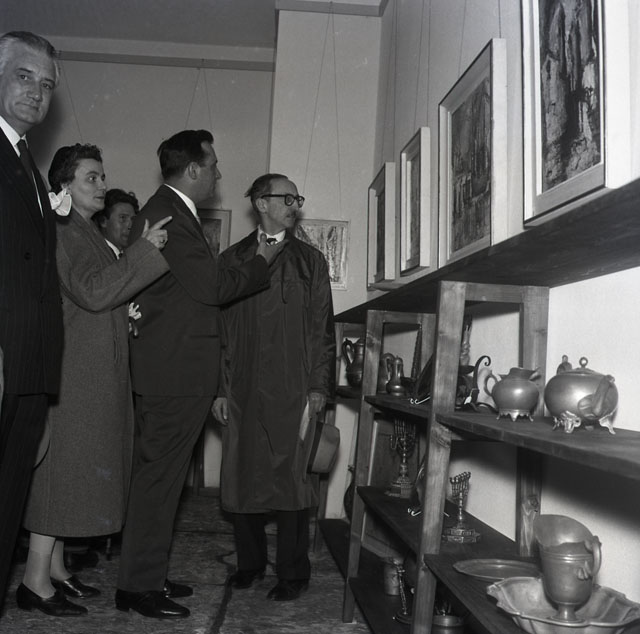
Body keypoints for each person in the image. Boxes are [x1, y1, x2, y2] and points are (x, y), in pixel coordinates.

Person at [115, 129, 285, 620]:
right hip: (174, 375)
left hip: (174, 371)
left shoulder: (173, 212)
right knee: (158, 483)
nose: (218, 173)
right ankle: (137, 587)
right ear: (192, 169)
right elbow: (211, 287)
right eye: (212, 165)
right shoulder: (168, 214)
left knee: (164, 483)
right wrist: (262, 259)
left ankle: (147, 575)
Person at [18, 143, 171, 617]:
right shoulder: (63, 229)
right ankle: (33, 582)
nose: (102, 184)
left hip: (90, 370)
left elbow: (100, 294)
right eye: (91, 177)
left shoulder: (83, 230)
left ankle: (56, 569)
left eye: (102, 176)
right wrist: (145, 250)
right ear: (64, 184)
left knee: (70, 473)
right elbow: (92, 292)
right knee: (60, 475)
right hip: (74, 372)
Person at [212, 173, 335, 602]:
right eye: (287, 198)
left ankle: (292, 573)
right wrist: (219, 389)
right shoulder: (232, 260)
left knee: (292, 481)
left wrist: (319, 385)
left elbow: (322, 328)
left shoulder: (310, 262)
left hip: (293, 385)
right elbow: (218, 330)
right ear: (261, 203)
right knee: (243, 475)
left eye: (297, 199)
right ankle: (249, 565)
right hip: (242, 385)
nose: (294, 206)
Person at [0, 31, 63, 612]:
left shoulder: (28, 164)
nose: (36, 93)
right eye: (24, 76)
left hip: (27, 371)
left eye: (46, 85)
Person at [94, 188, 139, 257]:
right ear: (103, 221)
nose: (130, 226)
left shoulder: (128, 256)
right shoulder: (95, 254)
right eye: (123, 218)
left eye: (133, 219)